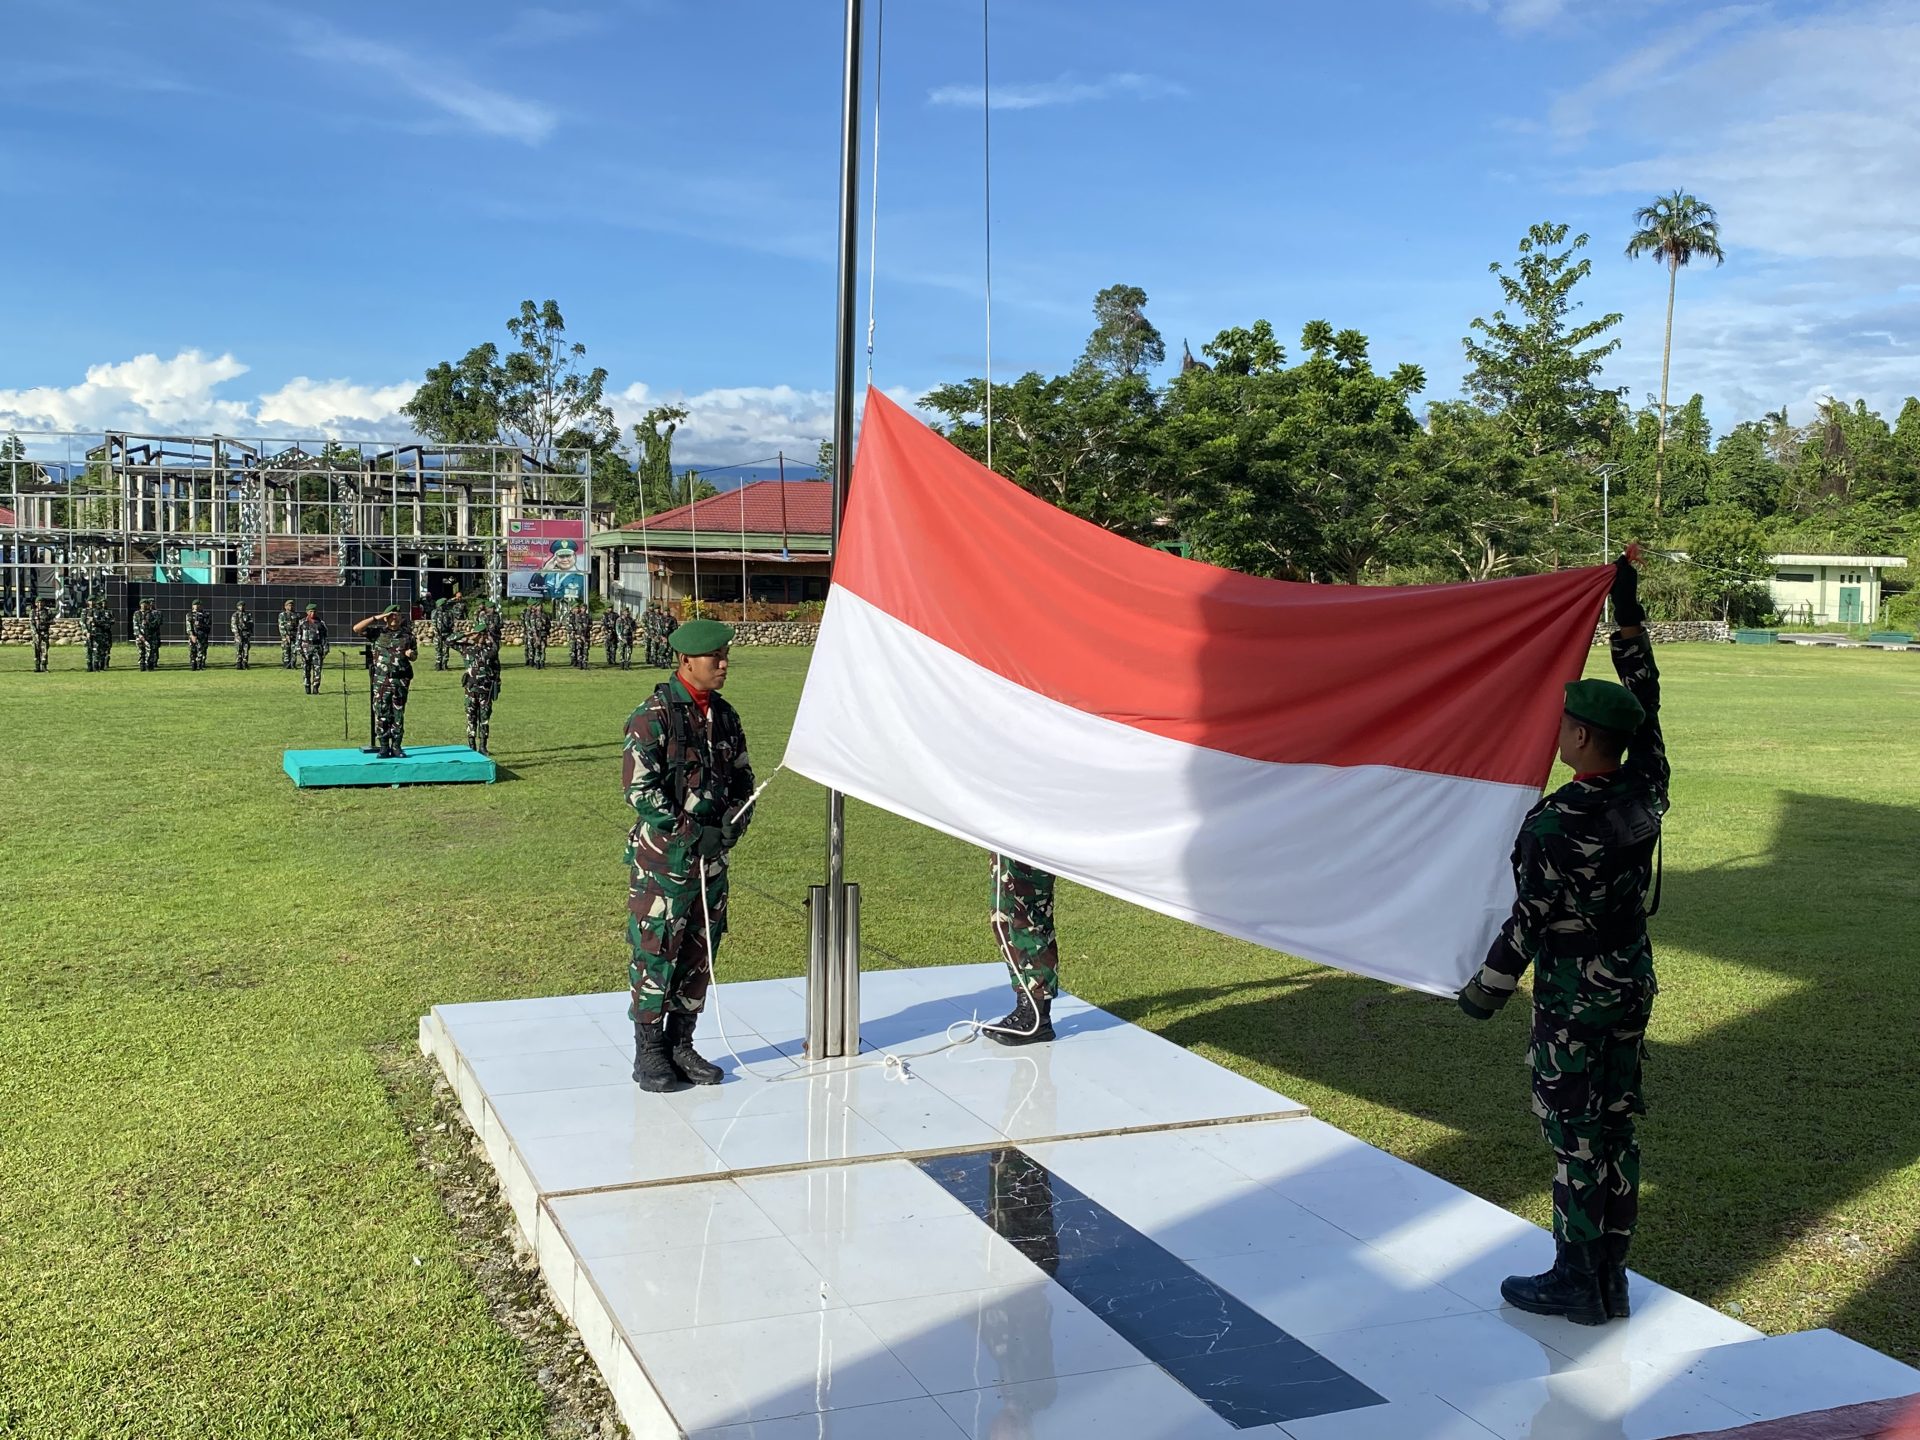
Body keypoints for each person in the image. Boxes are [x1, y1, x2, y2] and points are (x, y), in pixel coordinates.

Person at [1457, 549, 1667, 1327]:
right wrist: (1629, 616)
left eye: (1562, 728)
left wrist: (1487, 989)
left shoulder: (1554, 824)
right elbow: (1646, 700)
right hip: (1629, 978)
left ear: (1579, 737)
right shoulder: (1645, 785)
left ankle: (1577, 1282)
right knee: (1614, 1129)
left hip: (1578, 994)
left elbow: (1529, 920)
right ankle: (1607, 1277)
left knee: (1575, 1138)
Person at [622, 618, 756, 1092]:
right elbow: (640, 790)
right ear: (685, 661)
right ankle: (650, 1052)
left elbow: (743, 778)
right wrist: (689, 833)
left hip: (711, 861)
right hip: (665, 863)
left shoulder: (725, 715)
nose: (723, 666)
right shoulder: (653, 716)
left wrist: (731, 826)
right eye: (714, 659)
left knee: (700, 950)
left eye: (725, 657)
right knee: (657, 950)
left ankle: (682, 1042)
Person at [985, 855, 1061, 1044]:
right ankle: (1025, 1005)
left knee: (1027, 916)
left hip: (1033, 835)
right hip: (1006, 833)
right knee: (1003, 913)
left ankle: (1038, 1017)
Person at [352, 604, 417, 757]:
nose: (394, 618)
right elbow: (356, 629)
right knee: (382, 713)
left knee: (398, 714)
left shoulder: (408, 636)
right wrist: (376, 618)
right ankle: (383, 746)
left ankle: (396, 746)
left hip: (400, 681)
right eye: (391, 616)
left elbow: (415, 657)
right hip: (381, 681)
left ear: (401, 618)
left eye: (397, 616)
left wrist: (411, 654)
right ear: (386, 618)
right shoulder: (377, 633)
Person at [451, 599, 502, 755]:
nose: (480, 637)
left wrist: (497, 684)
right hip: (471, 688)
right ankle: (471, 745)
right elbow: (449, 640)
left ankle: (483, 746)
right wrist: (468, 633)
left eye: (482, 634)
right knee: (471, 718)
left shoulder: (491, 650)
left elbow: (496, 668)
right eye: (479, 634)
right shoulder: (467, 649)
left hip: (485, 689)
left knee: (484, 719)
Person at [295, 602, 329, 696]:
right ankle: (307, 686)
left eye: (314, 611)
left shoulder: (321, 623)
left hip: (317, 648)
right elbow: (298, 636)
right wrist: (298, 648)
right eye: (310, 611)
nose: (312, 613)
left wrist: (325, 648)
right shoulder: (302, 622)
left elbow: (324, 637)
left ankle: (315, 687)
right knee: (306, 668)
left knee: (317, 669)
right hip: (305, 648)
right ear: (307, 612)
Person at [433, 587, 466, 672]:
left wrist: (451, 631)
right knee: (438, 650)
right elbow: (434, 624)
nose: (442, 606)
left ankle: (444, 665)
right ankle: (438, 665)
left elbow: (451, 623)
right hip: (438, 634)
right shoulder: (435, 612)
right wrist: (437, 633)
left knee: (445, 650)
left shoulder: (449, 612)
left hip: (446, 634)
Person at [132, 599, 161, 671]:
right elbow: (135, 625)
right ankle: (142, 665)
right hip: (140, 636)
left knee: (151, 651)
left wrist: (148, 623)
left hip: (151, 636)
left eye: (146, 604)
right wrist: (139, 635)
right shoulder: (137, 614)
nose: (144, 606)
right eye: (142, 604)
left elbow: (156, 624)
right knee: (141, 652)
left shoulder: (153, 613)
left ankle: (150, 665)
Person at [185, 599, 211, 670]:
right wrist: (192, 635)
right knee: (193, 651)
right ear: (192, 606)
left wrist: (201, 625)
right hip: (193, 636)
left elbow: (208, 626)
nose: (197, 606)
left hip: (203, 636)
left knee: (202, 651)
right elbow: (188, 626)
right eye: (195, 605)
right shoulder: (190, 615)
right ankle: (193, 664)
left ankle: (201, 664)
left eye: (198, 605)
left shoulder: (206, 615)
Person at [522, 599, 549, 668]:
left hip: (543, 634)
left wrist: (545, 627)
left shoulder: (544, 614)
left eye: (540, 606)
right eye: (537, 606)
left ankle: (541, 662)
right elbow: (528, 624)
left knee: (542, 648)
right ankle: (531, 661)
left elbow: (548, 624)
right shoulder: (530, 614)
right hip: (532, 633)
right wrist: (533, 633)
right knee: (531, 647)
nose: (540, 607)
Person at [565, 598, 590, 669]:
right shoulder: (569, 615)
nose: (577, 609)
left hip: (580, 634)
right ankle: (574, 661)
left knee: (579, 648)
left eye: (577, 608)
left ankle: (580, 662)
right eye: (575, 608)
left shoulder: (579, 615)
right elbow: (568, 625)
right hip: (573, 634)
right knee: (573, 648)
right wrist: (573, 632)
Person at [29, 597, 52, 672]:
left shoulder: (47, 612)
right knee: (36, 650)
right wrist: (35, 633)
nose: (40, 604)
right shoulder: (33, 612)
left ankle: (44, 666)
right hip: (36, 634)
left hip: (44, 633)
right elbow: (31, 624)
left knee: (44, 650)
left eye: (41, 602)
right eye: (38, 602)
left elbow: (51, 621)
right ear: (36, 603)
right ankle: (37, 667)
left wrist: (46, 623)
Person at [231, 602, 253, 669]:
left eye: (243, 606)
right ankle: (238, 663)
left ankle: (245, 663)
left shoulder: (248, 614)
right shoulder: (235, 615)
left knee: (246, 649)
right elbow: (233, 625)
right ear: (237, 607)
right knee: (239, 648)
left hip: (246, 634)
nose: (242, 607)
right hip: (238, 634)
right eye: (240, 606)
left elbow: (251, 624)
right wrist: (237, 633)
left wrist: (246, 626)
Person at [277, 600, 297, 668]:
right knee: (286, 650)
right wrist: (285, 635)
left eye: (291, 605)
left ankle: (293, 664)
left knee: (294, 650)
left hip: (294, 636)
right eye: (289, 605)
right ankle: (286, 664)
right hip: (285, 636)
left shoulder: (296, 615)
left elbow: (298, 626)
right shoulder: (282, 615)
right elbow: (281, 626)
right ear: (285, 607)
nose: (290, 607)